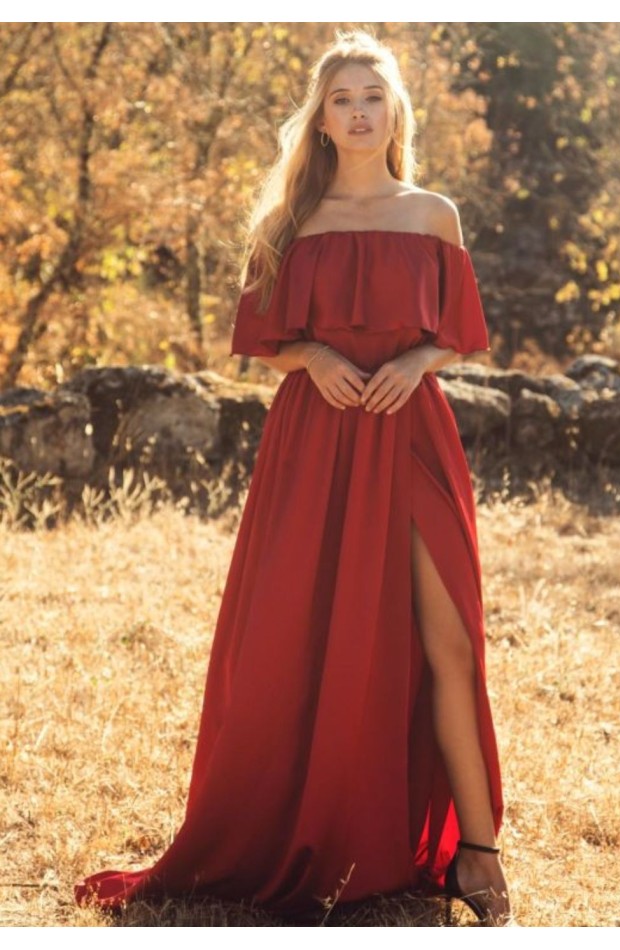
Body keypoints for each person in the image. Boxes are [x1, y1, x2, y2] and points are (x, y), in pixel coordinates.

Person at [74, 28, 514, 926]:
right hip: (315, 444)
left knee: (451, 644)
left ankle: (477, 850)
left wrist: (416, 362)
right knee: (296, 639)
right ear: (320, 118)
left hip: (411, 437)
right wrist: (312, 354)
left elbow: (460, 334)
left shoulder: (433, 214)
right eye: (342, 98)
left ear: (395, 112)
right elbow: (267, 344)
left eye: (373, 96)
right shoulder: (288, 223)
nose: (358, 111)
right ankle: (305, 826)